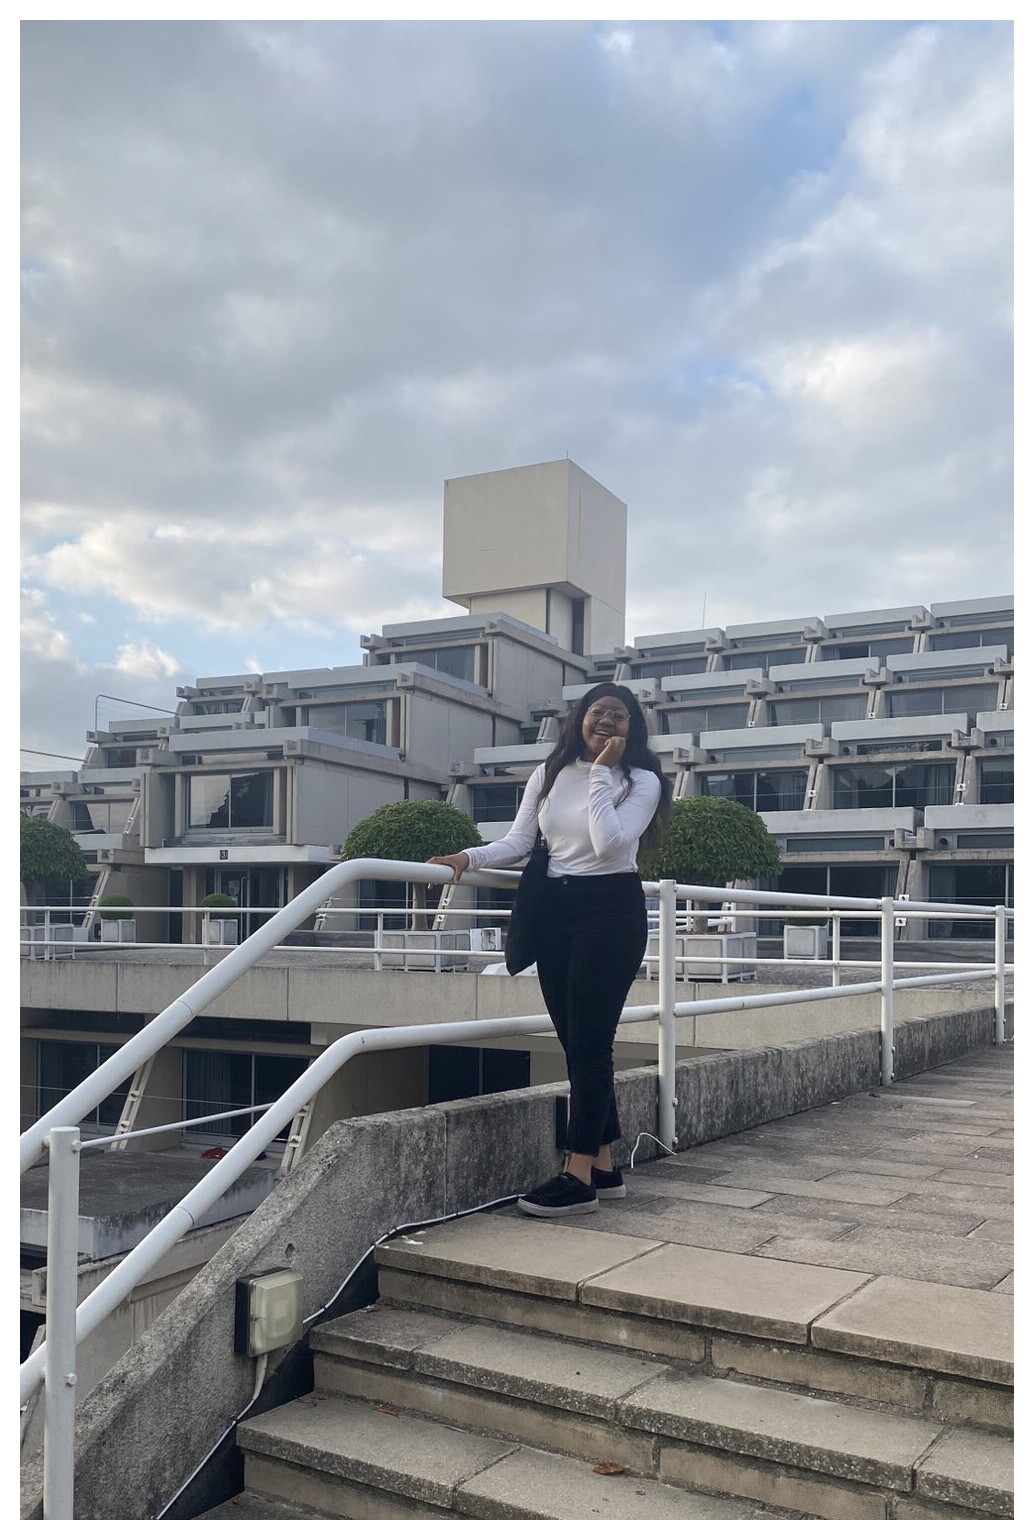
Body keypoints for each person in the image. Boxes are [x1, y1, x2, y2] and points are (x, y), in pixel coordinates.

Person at [430, 683, 671, 1218]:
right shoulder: (549, 773)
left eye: (620, 716)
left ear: (633, 728)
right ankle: (605, 1166)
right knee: (575, 1043)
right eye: (598, 712)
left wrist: (603, 774)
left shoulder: (642, 781)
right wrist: (466, 856)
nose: (607, 721)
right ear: (579, 718)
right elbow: (519, 842)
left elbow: (611, 844)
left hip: (610, 913)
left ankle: (577, 1176)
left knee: (590, 1046)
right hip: (555, 914)